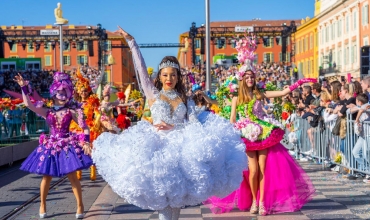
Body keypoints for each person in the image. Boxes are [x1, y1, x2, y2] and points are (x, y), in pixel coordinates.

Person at [91, 26, 247, 220]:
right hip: (157, 151)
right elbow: (140, 69)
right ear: (160, 76)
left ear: (178, 77)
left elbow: (193, 124)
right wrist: (131, 41)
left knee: (176, 207)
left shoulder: (185, 98)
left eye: (173, 75)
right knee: (164, 207)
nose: (169, 79)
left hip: (181, 152)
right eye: (165, 75)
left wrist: (174, 127)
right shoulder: (153, 94)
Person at [204, 35, 316, 216]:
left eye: (252, 76)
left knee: (263, 169)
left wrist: (300, 82)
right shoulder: (236, 97)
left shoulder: (260, 93)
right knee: (253, 170)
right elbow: (232, 118)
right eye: (247, 76)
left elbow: (282, 92)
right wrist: (230, 133)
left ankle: (261, 202)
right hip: (245, 134)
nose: (250, 79)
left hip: (263, 132)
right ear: (242, 79)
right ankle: (254, 199)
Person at [16, 72, 92, 219]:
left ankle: (80, 205)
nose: (62, 95)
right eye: (60, 92)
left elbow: (85, 127)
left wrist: (86, 141)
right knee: (46, 176)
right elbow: (29, 105)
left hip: (67, 145)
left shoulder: (71, 111)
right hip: (51, 145)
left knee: (72, 176)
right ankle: (42, 204)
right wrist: (24, 88)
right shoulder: (47, 111)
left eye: (65, 92)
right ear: (54, 93)